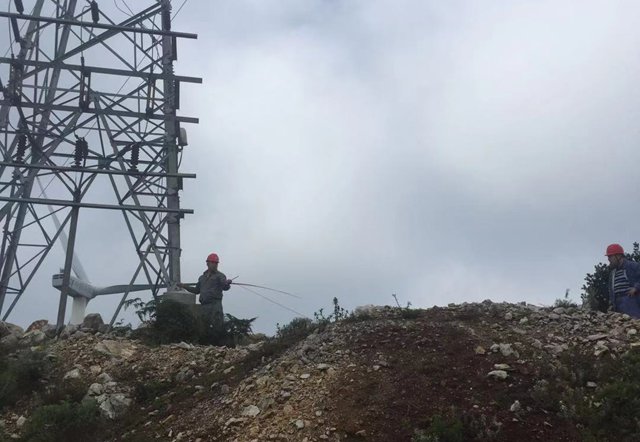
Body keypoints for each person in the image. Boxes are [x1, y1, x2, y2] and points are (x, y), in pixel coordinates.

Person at [177, 253, 232, 327]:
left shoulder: (220, 276)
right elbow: (196, 290)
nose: (215, 265)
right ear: (208, 263)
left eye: (216, 263)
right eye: (213, 262)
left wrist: (227, 284)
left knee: (218, 328)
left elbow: (225, 287)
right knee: (203, 328)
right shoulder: (202, 278)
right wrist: (184, 286)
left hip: (215, 306)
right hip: (204, 306)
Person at [606, 243, 640, 318]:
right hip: (618, 306)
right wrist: (611, 304)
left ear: (618, 256)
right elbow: (611, 291)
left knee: (634, 325)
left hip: (632, 302)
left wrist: (636, 288)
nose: (608, 259)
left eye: (610, 256)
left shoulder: (633, 266)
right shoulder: (612, 274)